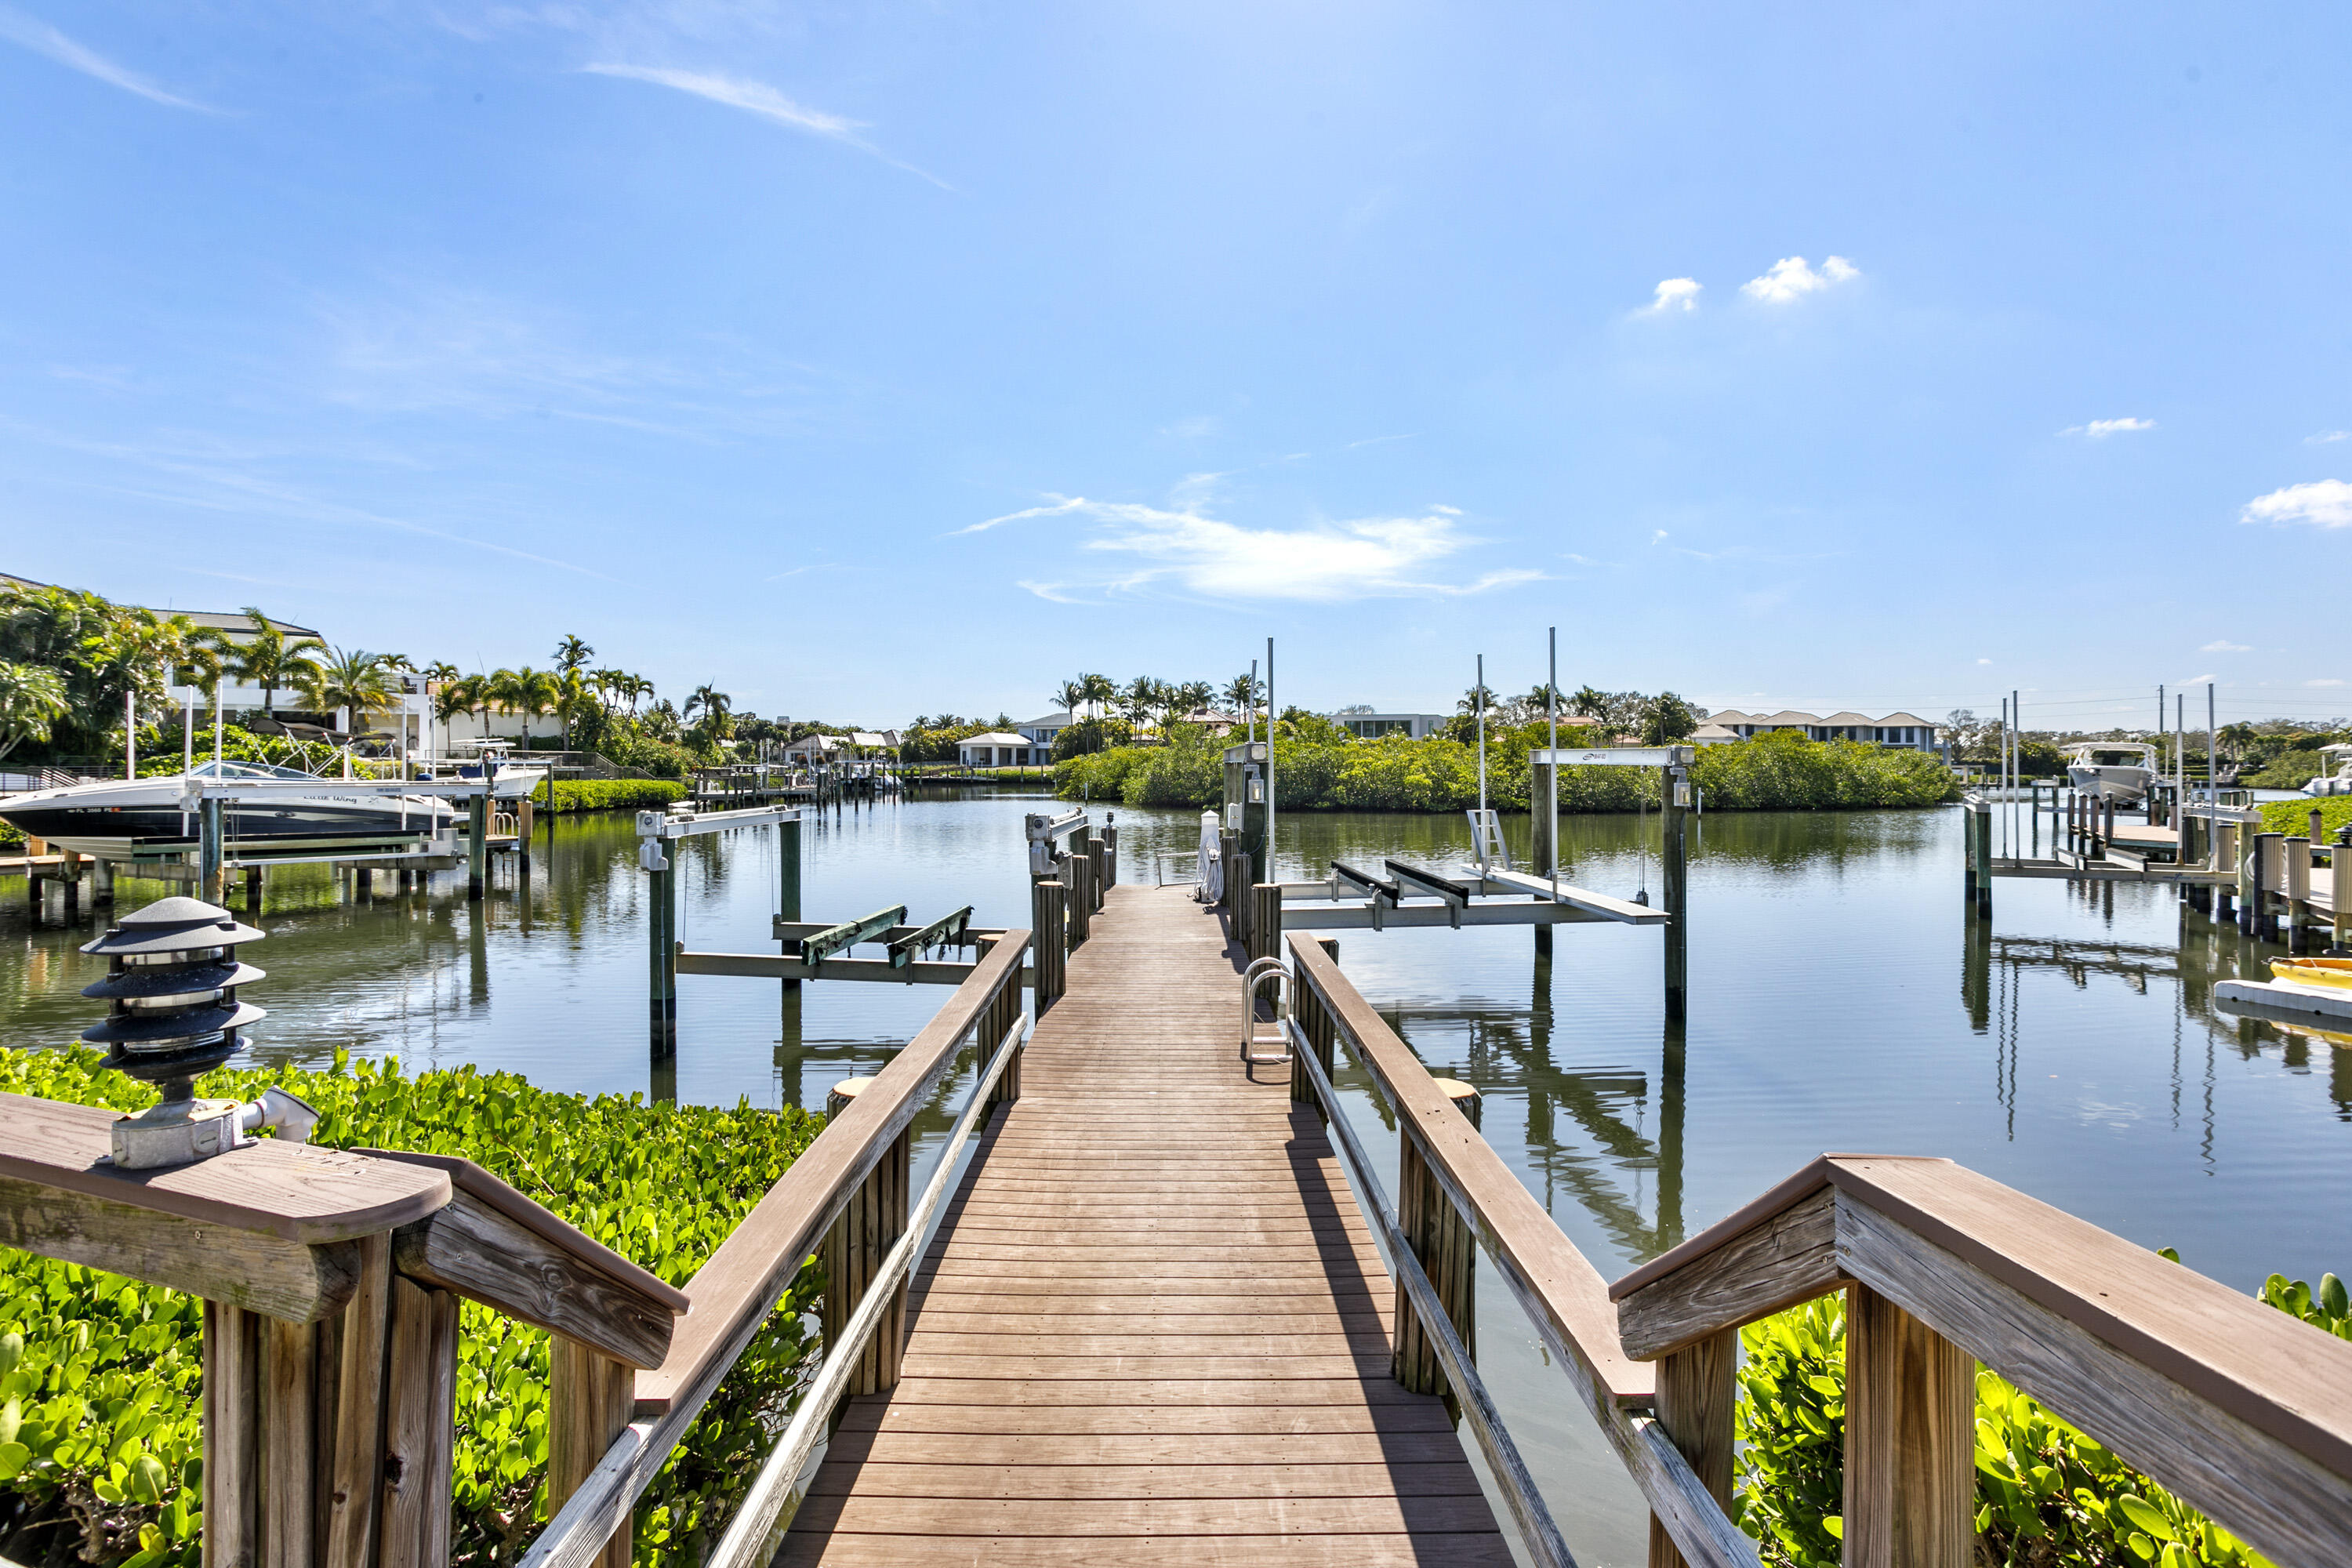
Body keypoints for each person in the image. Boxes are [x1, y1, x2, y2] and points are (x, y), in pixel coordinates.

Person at [1197, 808, 1223, 903]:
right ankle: (1207, 891)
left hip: (1213, 847)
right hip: (1207, 846)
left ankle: (1210, 891)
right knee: (1207, 868)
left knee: (1213, 868)